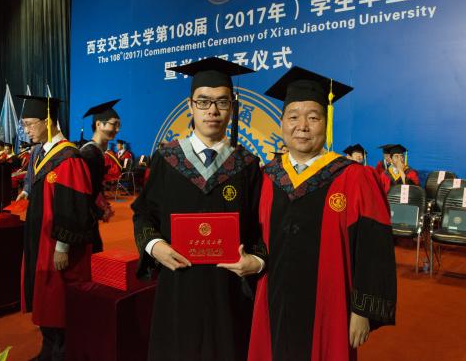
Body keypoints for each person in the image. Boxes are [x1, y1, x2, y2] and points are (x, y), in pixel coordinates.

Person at [248, 66, 396, 361]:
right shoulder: (265, 177)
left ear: (326, 124)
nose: (302, 126)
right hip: (272, 301)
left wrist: (362, 310)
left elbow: (373, 248)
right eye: (293, 117)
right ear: (281, 124)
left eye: (313, 117)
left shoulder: (354, 177)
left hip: (331, 307)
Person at [132, 57, 267, 361]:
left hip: (228, 290)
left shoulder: (246, 165)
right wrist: (155, 246)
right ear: (190, 106)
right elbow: (143, 214)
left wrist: (256, 261)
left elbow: (260, 226)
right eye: (203, 102)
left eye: (222, 102)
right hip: (178, 285)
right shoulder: (167, 159)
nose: (212, 111)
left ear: (232, 108)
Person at [18, 95, 94, 361]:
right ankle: (48, 349)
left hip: (56, 244)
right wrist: (27, 193)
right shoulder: (40, 153)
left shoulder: (68, 157)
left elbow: (73, 205)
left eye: (30, 124)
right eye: (24, 125)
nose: (26, 130)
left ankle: (62, 353)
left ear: (48, 121)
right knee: (44, 297)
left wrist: (63, 246)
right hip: (39, 239)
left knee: (58, 299)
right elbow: (39, 187)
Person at [78, 99, 121, 253]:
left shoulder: (96, 151)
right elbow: (85, 191)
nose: (117, 129)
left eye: (119, 125)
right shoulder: (90, 153)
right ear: (98, 124)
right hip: (83, 220)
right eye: (114, 124)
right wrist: (100, 211)